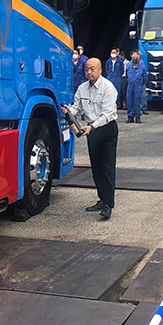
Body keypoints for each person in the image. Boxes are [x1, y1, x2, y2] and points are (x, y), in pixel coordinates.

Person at [63, 57, 119, 218]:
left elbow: (108, 114)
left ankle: (108, 205)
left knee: (107, 167)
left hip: (106, 129)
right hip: (91, 130)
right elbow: (77, 108)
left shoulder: (108, 87)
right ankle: (101, 199)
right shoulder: (82, 88)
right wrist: (69, 111)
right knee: (96, 168)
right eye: (87, 69)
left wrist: (92, 126)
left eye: (92, 69)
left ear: (100, 70)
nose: (89, 72)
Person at [125, 50, 148, 124]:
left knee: (137, 102)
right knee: (129, 101)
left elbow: (145, 78)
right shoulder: (128, 65)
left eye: (136, 57)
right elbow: (126, 75)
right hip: (130, 86)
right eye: (133, 57)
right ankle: (130, 117)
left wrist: (140, 84)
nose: (135, 59)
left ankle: (137, 116)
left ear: (139, 58)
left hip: (138, 87)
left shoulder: (142, 66)